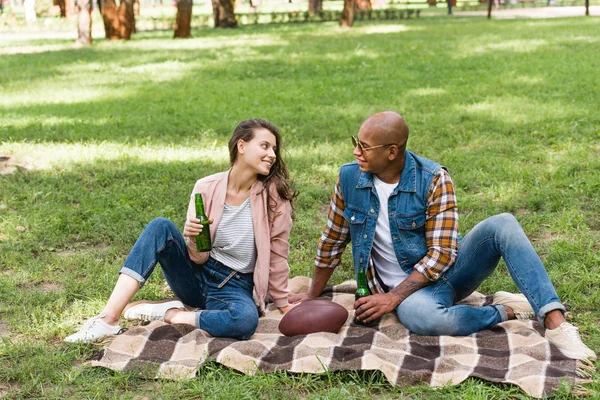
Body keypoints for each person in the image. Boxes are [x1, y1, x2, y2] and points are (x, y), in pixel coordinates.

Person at [290, 111, 596, 362]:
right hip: (409, 294)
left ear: (392, 151)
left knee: (503, 223)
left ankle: (555, 322)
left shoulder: (433, 178)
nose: (356, 151)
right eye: (356, 142)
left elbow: (444, 254)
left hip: (446, 273)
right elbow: (332, 240)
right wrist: (313, 293)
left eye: (364, 146)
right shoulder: (349, 178)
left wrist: (392, 298)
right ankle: (508, 309)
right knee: (425, 317)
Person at [65, 119, 296, 343]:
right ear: (242, 146)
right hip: (195, 275)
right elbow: (197, 256)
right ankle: (107, 319)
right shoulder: (205, 187)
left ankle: (171, 314)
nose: (273, 154)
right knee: (160, 226)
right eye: (265, 146)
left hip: (235, 285)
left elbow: (277, 253)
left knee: (245, 321)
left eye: (274, 149)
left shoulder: (274, 198)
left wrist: (283, 303)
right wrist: (193, 239)